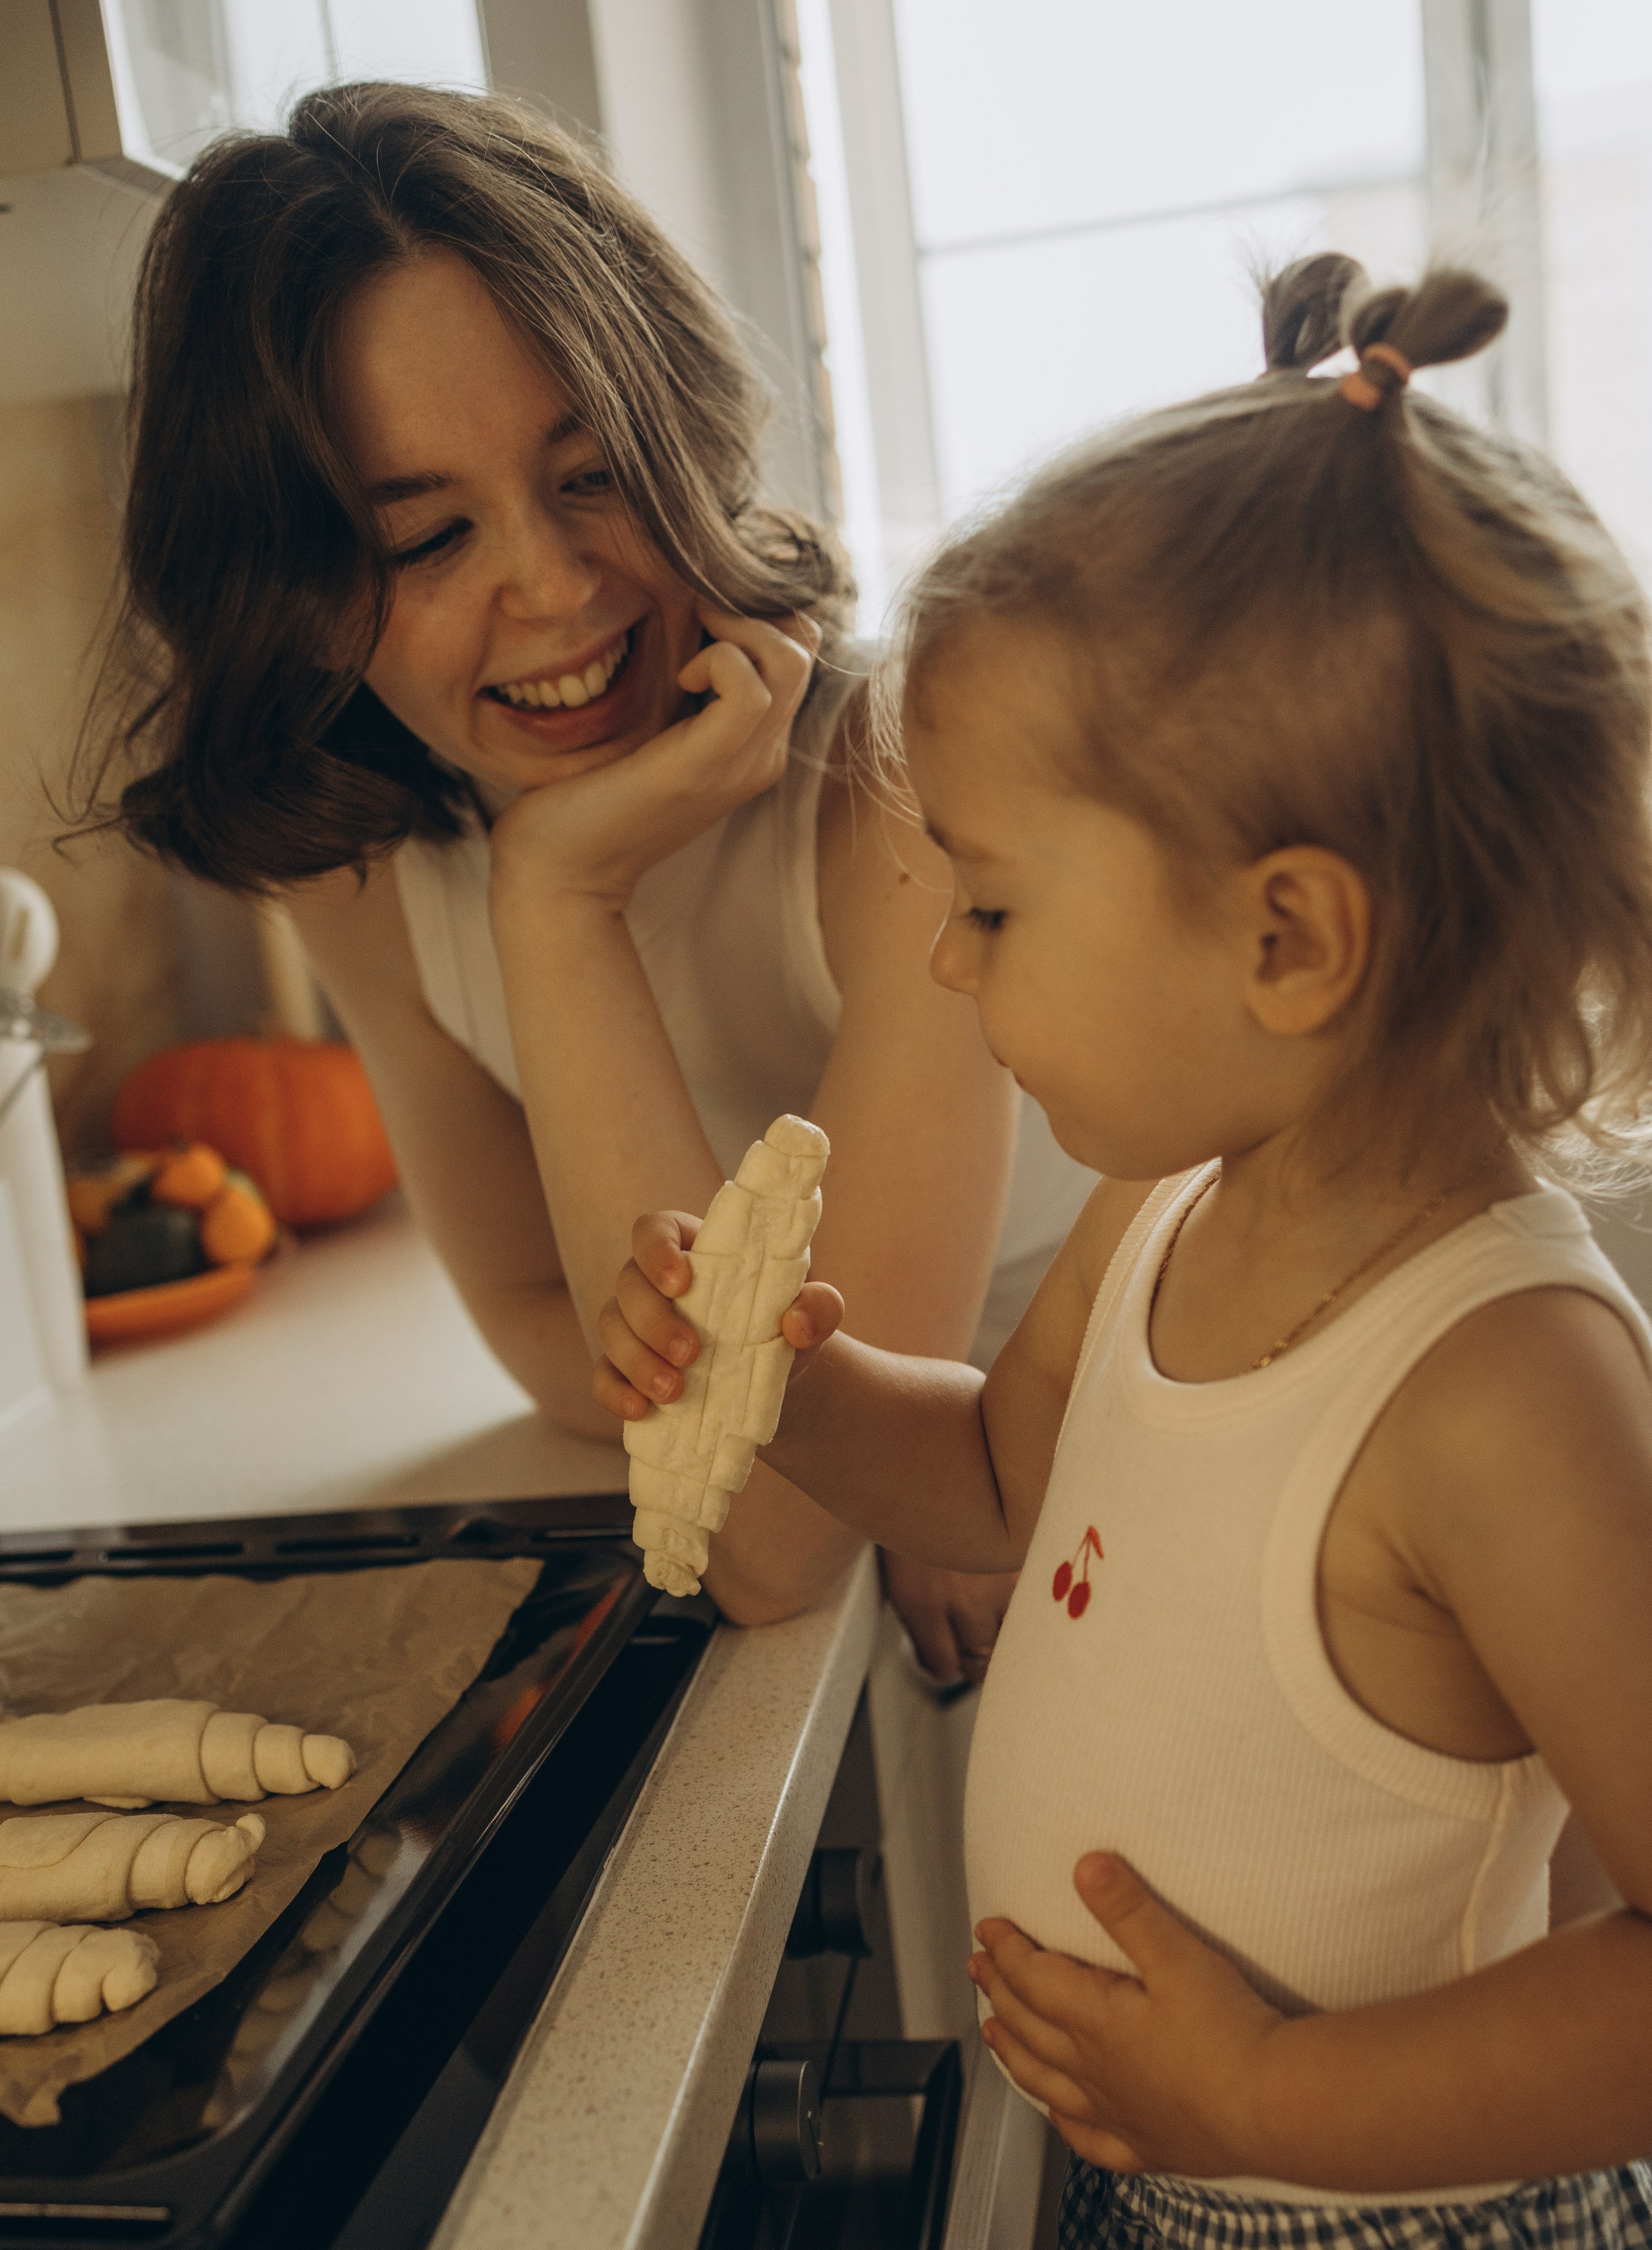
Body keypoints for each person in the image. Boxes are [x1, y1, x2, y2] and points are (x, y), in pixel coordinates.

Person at [594, 255, 1652, 2250]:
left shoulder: (1506, 1393)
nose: (953, 974)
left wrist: (1268, 2097)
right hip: (1169, 2208)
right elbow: (998, 1473)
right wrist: (772, 1379)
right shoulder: (1177, 1203)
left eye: (992, 906)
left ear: (1285, 938)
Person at [83, 81, 1093, 1665]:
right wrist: (555, 888)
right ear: (280, 590)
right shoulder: (354, 871)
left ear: (677, 432)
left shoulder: (895, 786)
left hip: (1125, 1447)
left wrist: (554, 906)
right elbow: (537, 1323)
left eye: (593, 470)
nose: (552, 587)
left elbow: (765, 1535)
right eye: (424, 540)